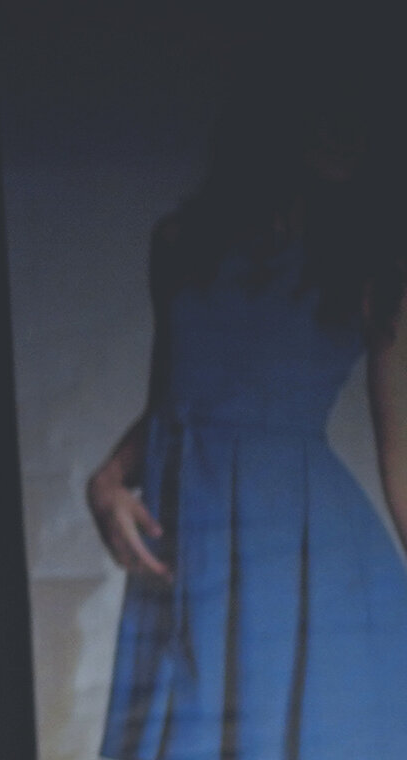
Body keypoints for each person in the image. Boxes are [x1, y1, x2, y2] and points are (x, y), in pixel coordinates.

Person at [84, 49, 407, 759]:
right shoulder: (179, 245)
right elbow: (173, 402)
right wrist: (105, 479)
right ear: (281, 113)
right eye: (328, 110)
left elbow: (402, 458)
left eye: (362, 118)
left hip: (311, 566)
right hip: (193, 544)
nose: (345, 133)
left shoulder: (368, 276)